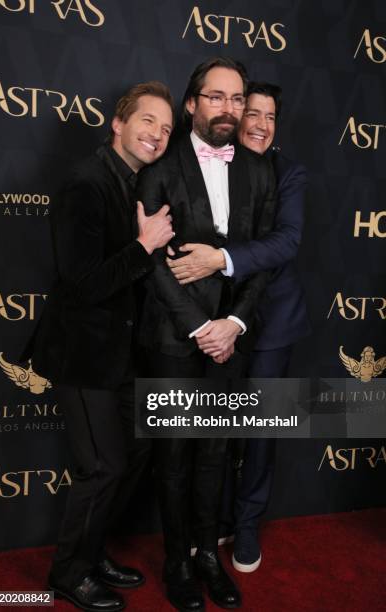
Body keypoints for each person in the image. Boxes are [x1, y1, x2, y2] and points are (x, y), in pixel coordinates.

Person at [23, 82, 175, 612]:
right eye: (147, 121)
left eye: (165, 127)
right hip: (82, 354)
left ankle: (89, 552)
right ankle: (67, 574)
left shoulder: (131, 183)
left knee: (134, 451)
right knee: (102, 465)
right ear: (118, 123)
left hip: (120, 353)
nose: (157, 133)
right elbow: (82, 284)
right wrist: (143, 246)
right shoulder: (84, 184)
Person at [138, 60, 277, 611]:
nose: (228, 108)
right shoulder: (159, 167)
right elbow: (150, 264)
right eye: (215, 97)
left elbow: (262, 259)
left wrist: (234, 324)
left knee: (215, 457)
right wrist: (199, 326)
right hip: (173, 338)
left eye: (236, 98)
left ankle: (205, 558)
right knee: (173, 460)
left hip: (229, 339)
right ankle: (175, 563)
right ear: (191, 104)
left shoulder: (260, 171)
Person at [165, 81, 310, 574]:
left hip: (272, 323)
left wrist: (220, 259)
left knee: (261, 431)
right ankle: (212, 523)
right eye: (254, 112)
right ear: (233, 115)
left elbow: (285, 242)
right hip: (213, 323)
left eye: (271, 117)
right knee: (215, 428)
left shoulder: (290, 172)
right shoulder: (210, 162)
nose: (262, 124)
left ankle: (247, 523)